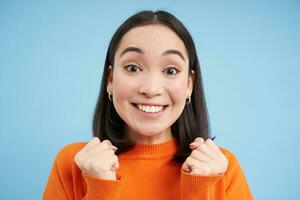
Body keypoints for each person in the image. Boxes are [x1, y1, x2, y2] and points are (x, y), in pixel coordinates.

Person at [43, 10, 253, 200]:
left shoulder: (221, 169)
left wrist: (201, 191)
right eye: (133, 68)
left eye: (170, 71)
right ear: (110, 79)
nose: (151, 89)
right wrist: (100, 190)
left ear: (189, 84)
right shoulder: (73, 164)